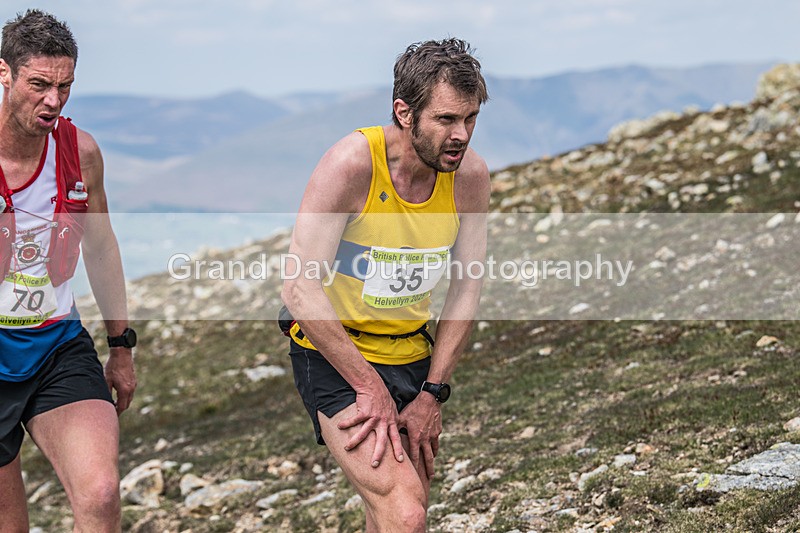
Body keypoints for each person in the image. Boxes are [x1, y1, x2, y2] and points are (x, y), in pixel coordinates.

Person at [282, 38, 489, 531]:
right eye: (445, 119)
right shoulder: (351, 165)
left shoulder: (470, 177)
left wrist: (432, 394)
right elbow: (299, 289)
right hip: (335, 354)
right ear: (404, 112)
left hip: (413, 358)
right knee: (407, 511)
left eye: (471, 118)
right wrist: (366, 385)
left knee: (393, 514)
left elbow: (466, 287)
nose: (460, 135)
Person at [0, 10, 136, 532]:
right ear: (5, 74)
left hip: (56, 345)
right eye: (39, 85)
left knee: (100, 494)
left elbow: (100, 248)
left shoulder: (80, 153)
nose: (53, 101)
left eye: (65, 86)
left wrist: (121, 347)